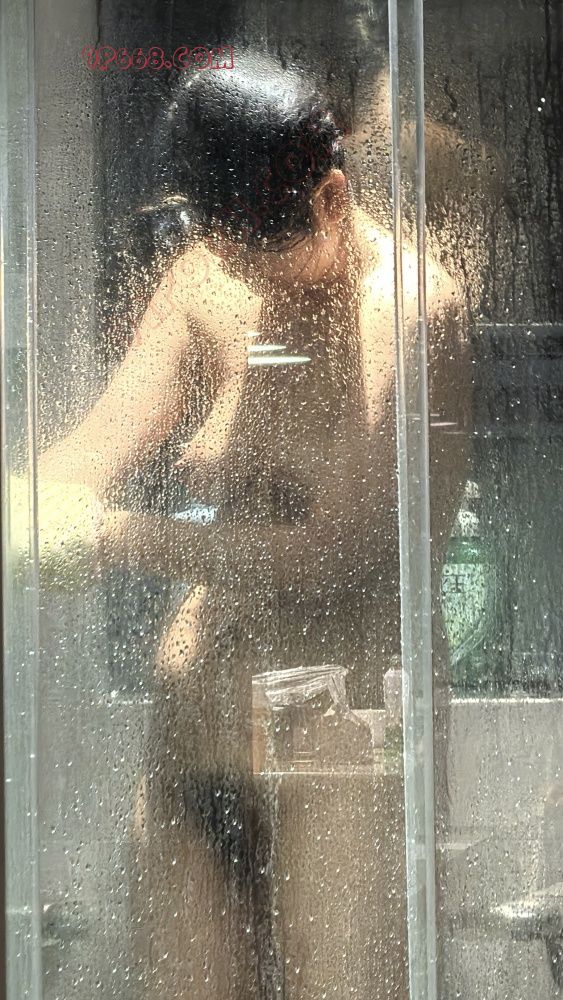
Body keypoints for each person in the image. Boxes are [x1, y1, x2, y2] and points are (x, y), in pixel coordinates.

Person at [39, 49, 471, 999]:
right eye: (223, 250)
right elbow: (92, 452)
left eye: (259, 256)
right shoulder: (207, 275)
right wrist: (28, 505)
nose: (244, 279)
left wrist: (116, 537)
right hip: (198, 710)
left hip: (340, 728)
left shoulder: (407, 307)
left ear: (329, 200)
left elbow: (339, 552)